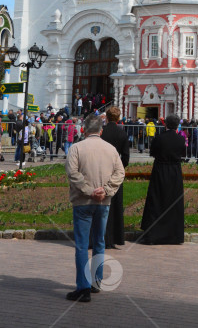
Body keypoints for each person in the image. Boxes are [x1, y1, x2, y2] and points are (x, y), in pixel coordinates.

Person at [65, 114, 125, 302]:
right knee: (99, 242)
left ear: (84, 129)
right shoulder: (111, 149)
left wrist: (89, 190)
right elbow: (120, 172)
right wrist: (105, 190)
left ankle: (83, 288)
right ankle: (96, 282)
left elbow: (72, 173)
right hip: (103, 202)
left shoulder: (76, 148)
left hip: (83, 202)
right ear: (101, 130)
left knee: (82, 245)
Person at [140, 114, 186, 245]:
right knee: (173, 202)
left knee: (156, 200)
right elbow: (183, 154)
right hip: (175, 172)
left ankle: (153, 235)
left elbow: (153, 153)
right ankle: (174, 236)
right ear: (177, 125)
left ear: (165, 124)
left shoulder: (159, 138)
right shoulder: (180, 139)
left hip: (160, 170)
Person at [101, 106, 130, 248]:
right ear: (118, 118)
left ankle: (100, 236)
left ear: (106, 117)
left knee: (100, 203)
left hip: (100, 170)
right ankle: (114, 237)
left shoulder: (101, 132)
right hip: (114, 172)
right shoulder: (122, 134)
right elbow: (126, 156)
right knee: (115, 205)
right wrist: (119, 168)